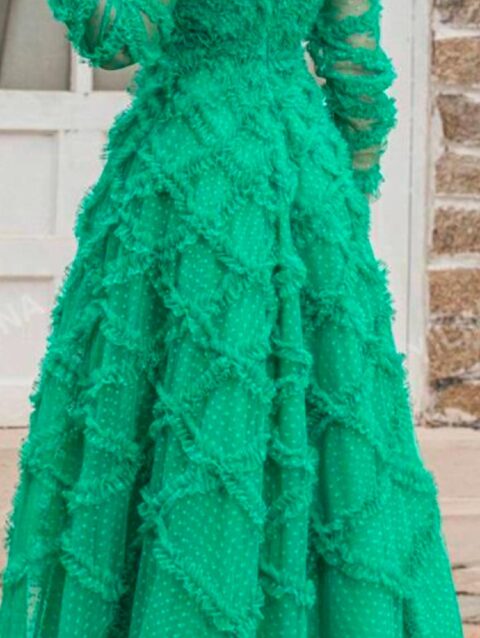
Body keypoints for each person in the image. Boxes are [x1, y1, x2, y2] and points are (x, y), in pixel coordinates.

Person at [0, 1, 464, 636]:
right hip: (302, 175)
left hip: (191, 179)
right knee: (311, 426)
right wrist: (338, 211)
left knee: (199, 410)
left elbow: (121, 39)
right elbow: (357, 70)